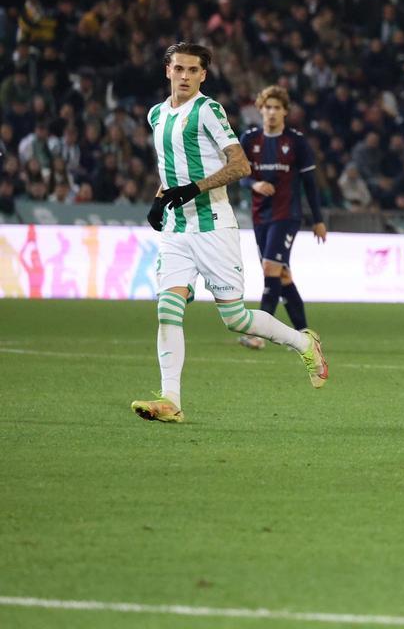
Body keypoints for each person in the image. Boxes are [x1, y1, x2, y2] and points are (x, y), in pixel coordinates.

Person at [132, 43, 328, 423]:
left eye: (193, 70)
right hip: (176, 229)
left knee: (235, 318)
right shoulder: (156, 115)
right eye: (179, 69)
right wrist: (159, 201)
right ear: (167, 71)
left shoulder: (208, 110)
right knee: (167, 308)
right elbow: (170, 171)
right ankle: (170, 398)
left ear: (203, 75)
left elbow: (239, 165)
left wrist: (195, 189)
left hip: (213, 227)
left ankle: (304, 342)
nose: (185, 76)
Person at [237, 85, 327, 350]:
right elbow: (239, 174)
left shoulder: (296, 142)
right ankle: (305, 336)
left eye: (277, 108)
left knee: (269, 269)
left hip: (287, 214)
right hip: (260, 215)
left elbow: (310, 183)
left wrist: (318, 220)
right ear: (260, 110)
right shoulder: (250, 139)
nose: (272, 112)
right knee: (282, 276)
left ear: (286, 112)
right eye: (268, 107)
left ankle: (259, 335)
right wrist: (254, 184)